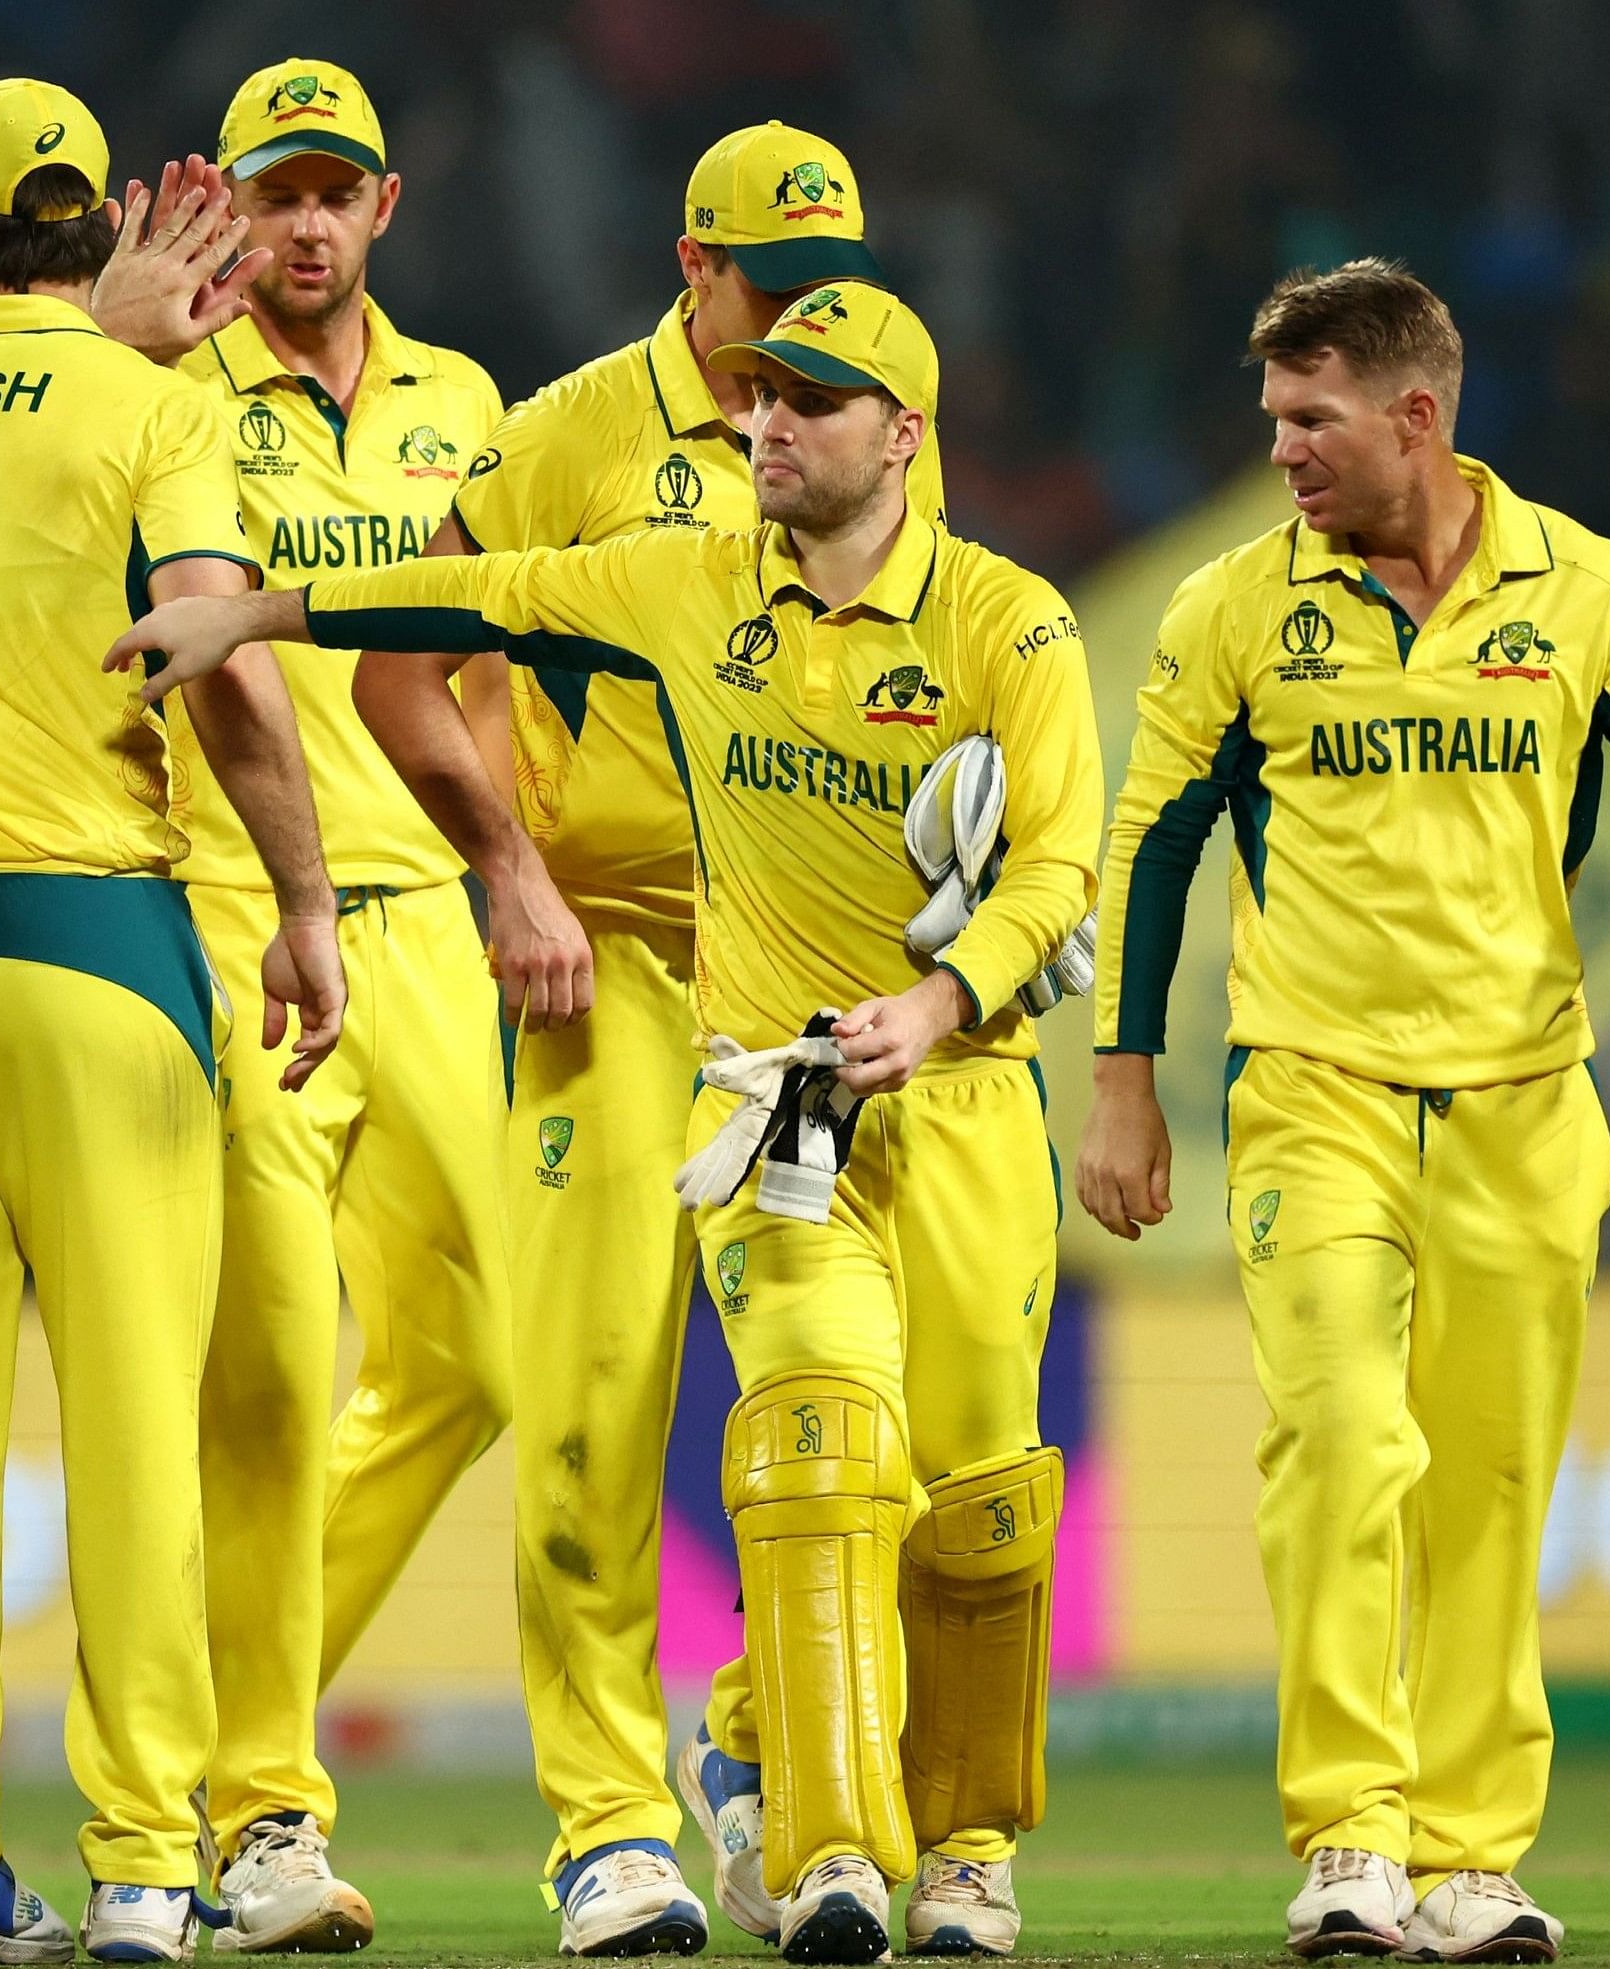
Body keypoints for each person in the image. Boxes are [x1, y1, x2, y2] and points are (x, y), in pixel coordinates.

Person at [113, 280, 1096, 1969]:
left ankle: (954, 1833)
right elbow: (469, 586)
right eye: (760, 389)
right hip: (768, 1095)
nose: (765, 418)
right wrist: (254, 616)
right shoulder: (687, 581)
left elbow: (1070, 869)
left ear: (905, 435)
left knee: (980, 1500)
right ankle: (829, 1854)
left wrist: (944, 1000)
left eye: (812, 396)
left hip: (969, 1097)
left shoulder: (1015, 627)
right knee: (809, 1451)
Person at [1075, 259, 1610, 1964]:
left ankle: (1472, 1860)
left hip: (1522, 1105)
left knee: (1488, 1480)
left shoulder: (1591, 593)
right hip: (1313, 1094)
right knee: (1340, 1440)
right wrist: (1125, 1086)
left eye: (1312, 418)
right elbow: (1155, 844)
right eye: (1273, 419)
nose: (1283, 452)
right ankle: (1350, 1834)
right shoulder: (1233, 608)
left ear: (1419, 415)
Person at [410, 122, 974, 1955]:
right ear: (688, 264)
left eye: (824, 284)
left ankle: (746, 1754)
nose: (789, 328)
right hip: (616, 971)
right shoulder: (571, 434)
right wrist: (508, 868)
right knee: (586, 1402)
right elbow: (407, 651)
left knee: (834, 1402)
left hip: (801, 995)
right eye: (761, 287)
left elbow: (921, 671)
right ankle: (606, 1826)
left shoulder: (879, 407)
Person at [0, 79, 345, 1969]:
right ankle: (140, 1864)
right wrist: (299, 903)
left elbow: (0, 452)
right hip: (96, 940)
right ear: (97, 229)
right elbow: (213, 658)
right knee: (136, 1429)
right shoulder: (161, 404)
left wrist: (88, 344)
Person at [152, 58, 509, 1952]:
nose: (304, 225)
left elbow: (488, 658)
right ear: (237, 204)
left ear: (386, 206)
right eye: (275, 192)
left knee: (483, 1362)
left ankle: (224, 1746)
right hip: (239, 924)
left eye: (334, 192)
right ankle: (261, 1804)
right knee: (276, 1380)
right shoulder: (174, 394)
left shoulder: (467, 407)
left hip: (437, 927)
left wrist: (514, 862)